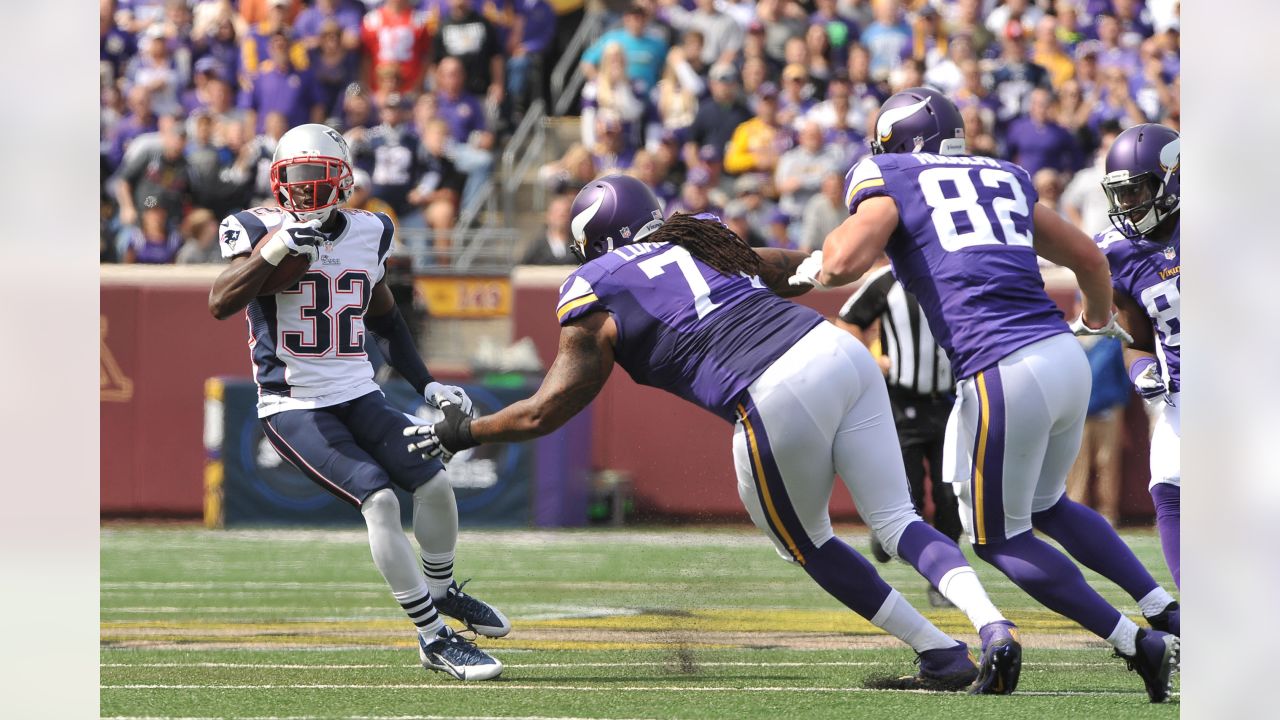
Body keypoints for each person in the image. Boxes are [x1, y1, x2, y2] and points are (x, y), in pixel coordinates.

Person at [407, 173, 1026, 695]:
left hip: (771, 387)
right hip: (838, 348)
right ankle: (993, 624)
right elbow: (778, 269)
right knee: (896, 520)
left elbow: (548, 410)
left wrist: (465, 431)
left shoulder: (596, 285)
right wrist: (821, 264)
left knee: (808, 543)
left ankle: (941, 655)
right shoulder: (702, 238)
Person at [787, 87, 1180, 702]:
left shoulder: (890, 171)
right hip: (1060, 356)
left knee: (997, 537)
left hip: (1000, 368)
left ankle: (1136, 641)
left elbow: (844, 262)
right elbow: (1088, 260)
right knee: (1047, 504)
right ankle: (1163, 608)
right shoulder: (1004, 173)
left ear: (894, 140)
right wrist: (1099, 322)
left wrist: (815, 263)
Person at [206, 123, 507, 681]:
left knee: (435, 483)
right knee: (381, 503)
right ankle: (432, 637)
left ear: (343, 181)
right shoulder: (254, 227)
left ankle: (441, 591)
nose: (303, 190)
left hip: (359, 391)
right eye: (293, 177)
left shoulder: (372, 231)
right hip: (293, 403)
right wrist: (274, 250)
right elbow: (221, 301)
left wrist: (427, 384)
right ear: (277, 179)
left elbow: (385, 316)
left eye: (316, 178)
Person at [836, 261, 962, 608]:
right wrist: (870, 360)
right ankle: (887, 533)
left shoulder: (958, 271)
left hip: (950, 401)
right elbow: (846, 321)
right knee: (910, 498)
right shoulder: (888, 279)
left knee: (951, 494)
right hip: (901, 403)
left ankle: (943, 581)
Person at [1094, 122, 1181, 588]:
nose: (1127, 205)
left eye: (1136, 191)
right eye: (1120, 194)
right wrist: (1143, 369)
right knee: (1168, 489)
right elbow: (1137, 340)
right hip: (1182, 394)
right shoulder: (1121, 253)